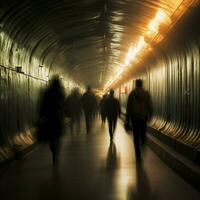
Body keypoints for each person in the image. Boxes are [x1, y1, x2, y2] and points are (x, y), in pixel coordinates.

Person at [37, 75, 65, 166]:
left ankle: (54, 152)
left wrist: (41, 116)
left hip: (49, 118)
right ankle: (56, 154)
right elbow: (63, 105)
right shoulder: (60, 93)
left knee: (51, 137)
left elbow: (42, 105)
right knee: (58, 136)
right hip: (58, 118)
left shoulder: (47, 93)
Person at [125, 79, 153, 163]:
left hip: (134, 118)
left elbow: (128, 107)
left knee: (136, 136)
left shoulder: (132, 94)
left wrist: (127, 119)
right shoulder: (146, 94)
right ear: (142, 84)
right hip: (143, 117)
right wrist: (150, 115)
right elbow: (149, 105)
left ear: (136, 85)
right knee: (143, 133)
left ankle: (138, 154)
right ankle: (143, 144)